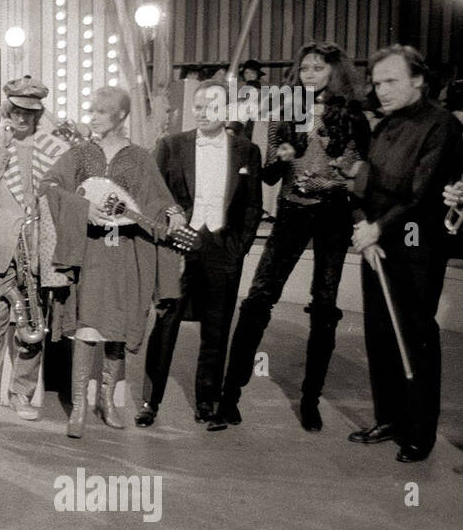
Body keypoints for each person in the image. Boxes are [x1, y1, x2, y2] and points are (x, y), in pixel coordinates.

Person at [217, 42, 369, 432]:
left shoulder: (353, 116)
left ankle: (310, 399)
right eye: (305, 69)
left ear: (335, 71)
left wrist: (335, 176)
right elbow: (268, 175)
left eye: (318, 68)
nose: (310, 74)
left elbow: (358, 172)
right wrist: (281, 158)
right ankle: (230, 394)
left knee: (324, 304)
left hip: (333, 214)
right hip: (290, 210)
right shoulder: (286, 111)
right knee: (259, 298)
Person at [41, 87, 184, 438]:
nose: (92, 118)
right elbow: (49, 185)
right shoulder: (81, 154)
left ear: (120, 116)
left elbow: (156, 200)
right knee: (88, 327)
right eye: (91, 111)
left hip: (125, 254)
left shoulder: (140, 158)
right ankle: (79, 407)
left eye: (100, 113)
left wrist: (173, 212)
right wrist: (82, 208)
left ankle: (107, 400)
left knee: (117, 329)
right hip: (90, 253)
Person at [348, 45, 462, 463]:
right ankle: (390, 418)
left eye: (391, 80)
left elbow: (424, 193)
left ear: (418, 79)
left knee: (414, 335)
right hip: (375, 242)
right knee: (378, 335)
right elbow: (365, 184)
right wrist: (363, 226)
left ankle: (419, 431)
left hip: (415, 245)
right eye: (377, 83)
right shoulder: (383, 126)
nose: (382, 90)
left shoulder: (441, 125)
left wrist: (377, 228)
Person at [136, 78, 262, 430]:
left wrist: (237, 249)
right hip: (178, 248)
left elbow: (252, 206)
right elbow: (153, 198)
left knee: (217, 329)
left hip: (223, 248)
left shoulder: (247, 151)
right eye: (200, 104)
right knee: (166, 324)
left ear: (228, 111)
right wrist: (168, 234)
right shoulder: (171, 146)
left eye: (214, 105)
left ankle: (207, 400)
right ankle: (150, 401)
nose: (205, 111)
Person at [0, 76, 72, 432]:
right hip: (0, 248)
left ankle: (21, 392)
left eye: (29, 113)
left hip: (38, 249)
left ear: (39, 114)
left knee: (31, 325)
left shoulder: (54, 147)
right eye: (16, 111)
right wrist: (3, 149)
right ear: (6, 108)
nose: (22, 119)